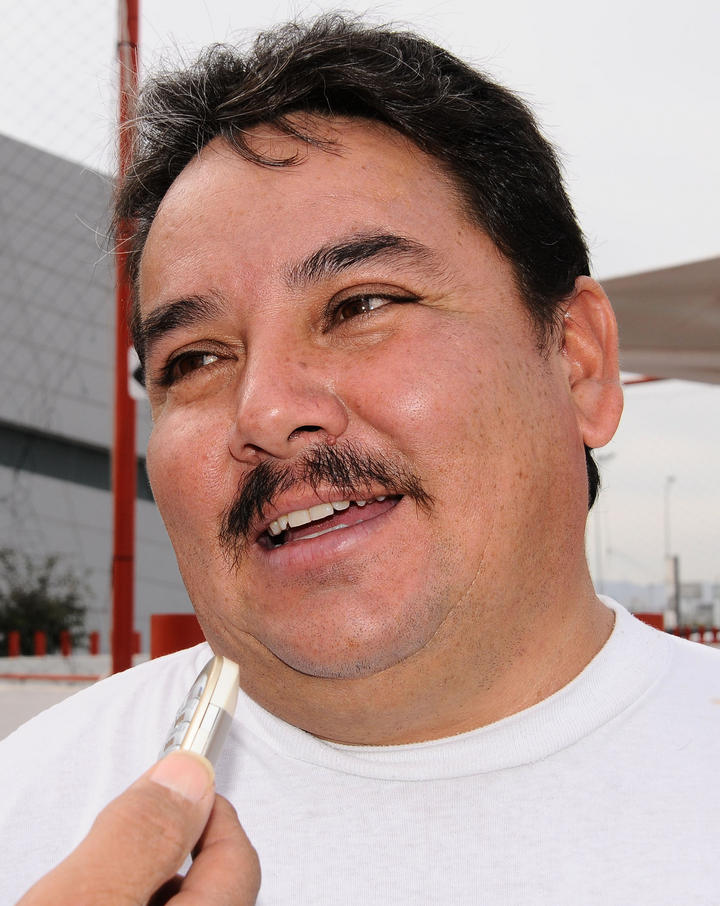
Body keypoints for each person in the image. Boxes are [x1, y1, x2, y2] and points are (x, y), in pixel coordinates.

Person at [1, 14, 718, 905]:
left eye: (360, 305)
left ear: (578, 361)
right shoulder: (29, 821)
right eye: (196, 359)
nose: (265, 411)